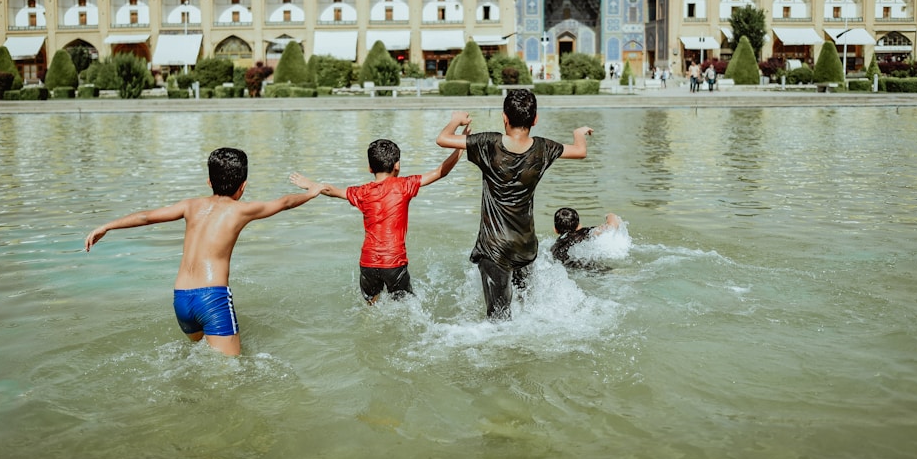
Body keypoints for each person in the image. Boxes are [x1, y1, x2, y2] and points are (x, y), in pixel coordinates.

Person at [84, 147, 326, 356]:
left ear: (209, 182)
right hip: (212, 298)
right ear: (243, 186)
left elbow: (147, 216)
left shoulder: (190, 206)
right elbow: (284, 202)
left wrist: (107, 225)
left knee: (199, 356)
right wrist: (311, 191)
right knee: (228, 371)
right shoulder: (241, 210)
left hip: (181, 299)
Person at [436, 90, 592, 320]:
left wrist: (456, 120)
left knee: (499, 319)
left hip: (495, 246)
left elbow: (443, 139)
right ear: (535, 119)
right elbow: (580, 151)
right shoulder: (543, 148)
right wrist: (578, 133)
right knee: (526, 307)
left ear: (504, 118)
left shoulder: (487, 143)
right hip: (525, 245)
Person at [288, 136, 466, 304]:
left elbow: (330, 190)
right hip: (393, 262)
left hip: (368, 262)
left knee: (371, 306)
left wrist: (311, 185)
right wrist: (460, 146)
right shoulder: (405, 186)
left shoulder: (362, 192)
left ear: (370, 168)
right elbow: (440, 172)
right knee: (405, 307)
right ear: (397, 165)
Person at [551, 208, 622, 271]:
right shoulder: (583, 233)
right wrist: (610, 214)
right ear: (579, 226)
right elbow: (612, 226)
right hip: (590, 266)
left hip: (569, 268)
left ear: (555, 230)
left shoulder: (554, 248)